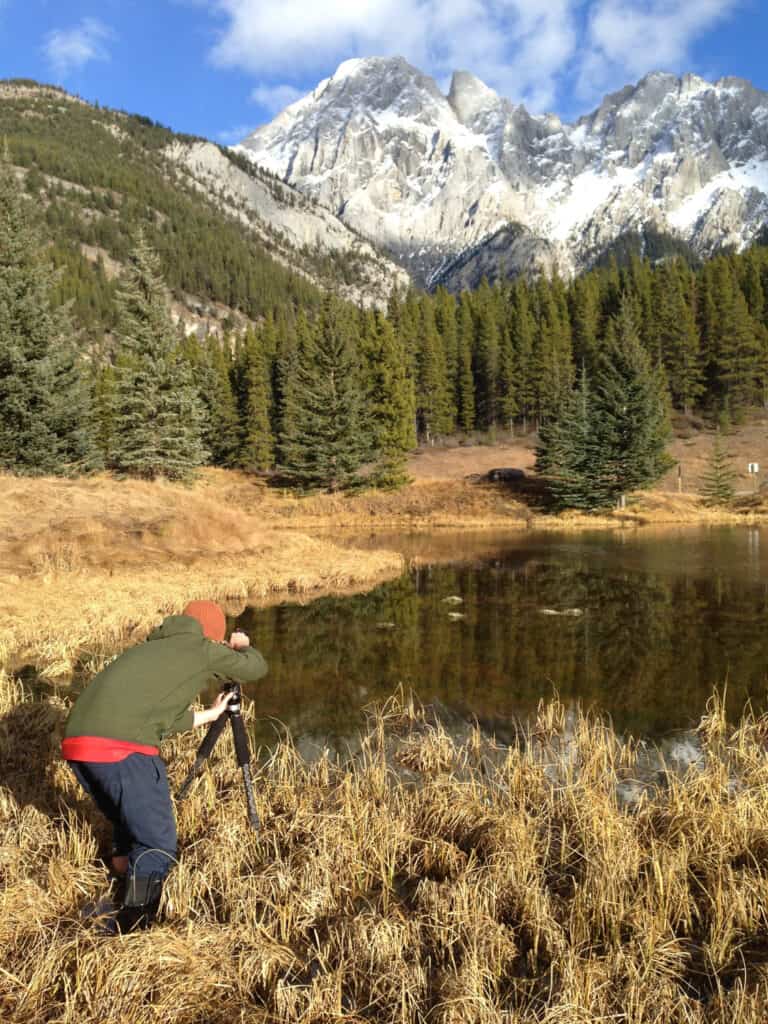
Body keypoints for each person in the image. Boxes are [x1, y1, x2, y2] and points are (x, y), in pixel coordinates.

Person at [62, 599, 268, 932]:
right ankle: (134, 925)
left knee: (130, 818)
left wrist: (212, 715)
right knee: (156, 844)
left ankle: (119, 874)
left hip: (79, 746)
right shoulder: (201, 648)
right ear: (212, 637)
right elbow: (254, 667)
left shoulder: (151, 649)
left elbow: (161, 717)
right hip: (120, 749)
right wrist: (243, 646)